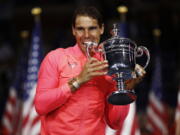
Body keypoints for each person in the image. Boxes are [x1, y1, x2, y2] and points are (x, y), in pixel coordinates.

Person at [35, 6, 146, 135]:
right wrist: (78, 80)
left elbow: (115, 122)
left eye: (92, 28)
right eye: (80, 29)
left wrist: (126, 87)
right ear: (73, 31)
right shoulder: (55, 58)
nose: (86, 35)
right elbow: (41, 106)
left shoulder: (110, 64)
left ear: (101, 29)